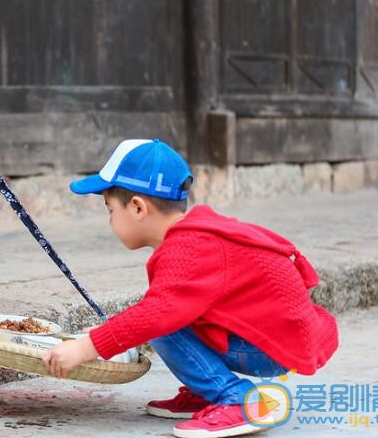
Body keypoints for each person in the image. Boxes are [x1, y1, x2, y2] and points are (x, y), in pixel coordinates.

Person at [43, 139, 338, 438]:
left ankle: (237, 399)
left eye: (109, 209)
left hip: (269, 348)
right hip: (269, 337)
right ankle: (207, 391)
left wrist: (86, 347)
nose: (109, 220)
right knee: (164, 315)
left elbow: (156, 314)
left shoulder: (190, 248)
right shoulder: (193, 237)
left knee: (160, 323)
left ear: (137, 207)